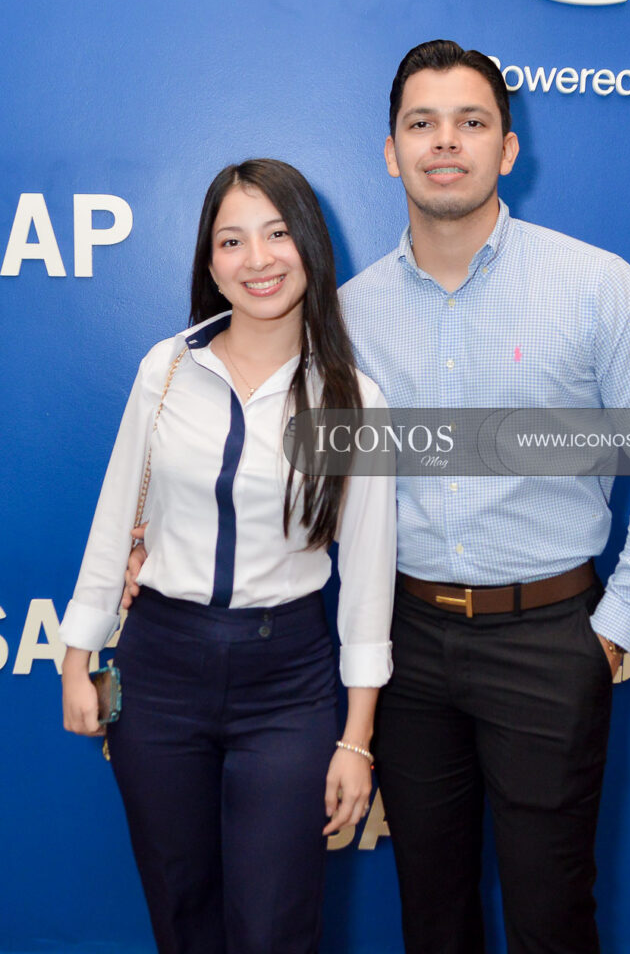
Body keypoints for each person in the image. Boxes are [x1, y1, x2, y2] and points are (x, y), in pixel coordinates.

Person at [336, 41, 630, 954]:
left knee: (551, 913)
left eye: (471, 122)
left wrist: (615, 625)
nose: (445, 143)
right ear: (391, 151)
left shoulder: (595, 287)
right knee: (431, 911)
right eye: (421, 124)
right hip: (408, 646)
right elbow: (312, 479)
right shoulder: (347, 312)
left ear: (508, 149)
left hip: (551, 641)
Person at [59, 158, 396, 954]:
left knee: (275, 923)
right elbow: (117, 519)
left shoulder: (350, 398)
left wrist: (356, 739)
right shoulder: (167, 369)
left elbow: (368, 584)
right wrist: (79, 655)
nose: (258, 260)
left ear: (309, 246)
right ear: (210, 265)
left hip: (289, 684)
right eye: (232, 241)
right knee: (182, 912)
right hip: (160, 672)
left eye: (278, 235)